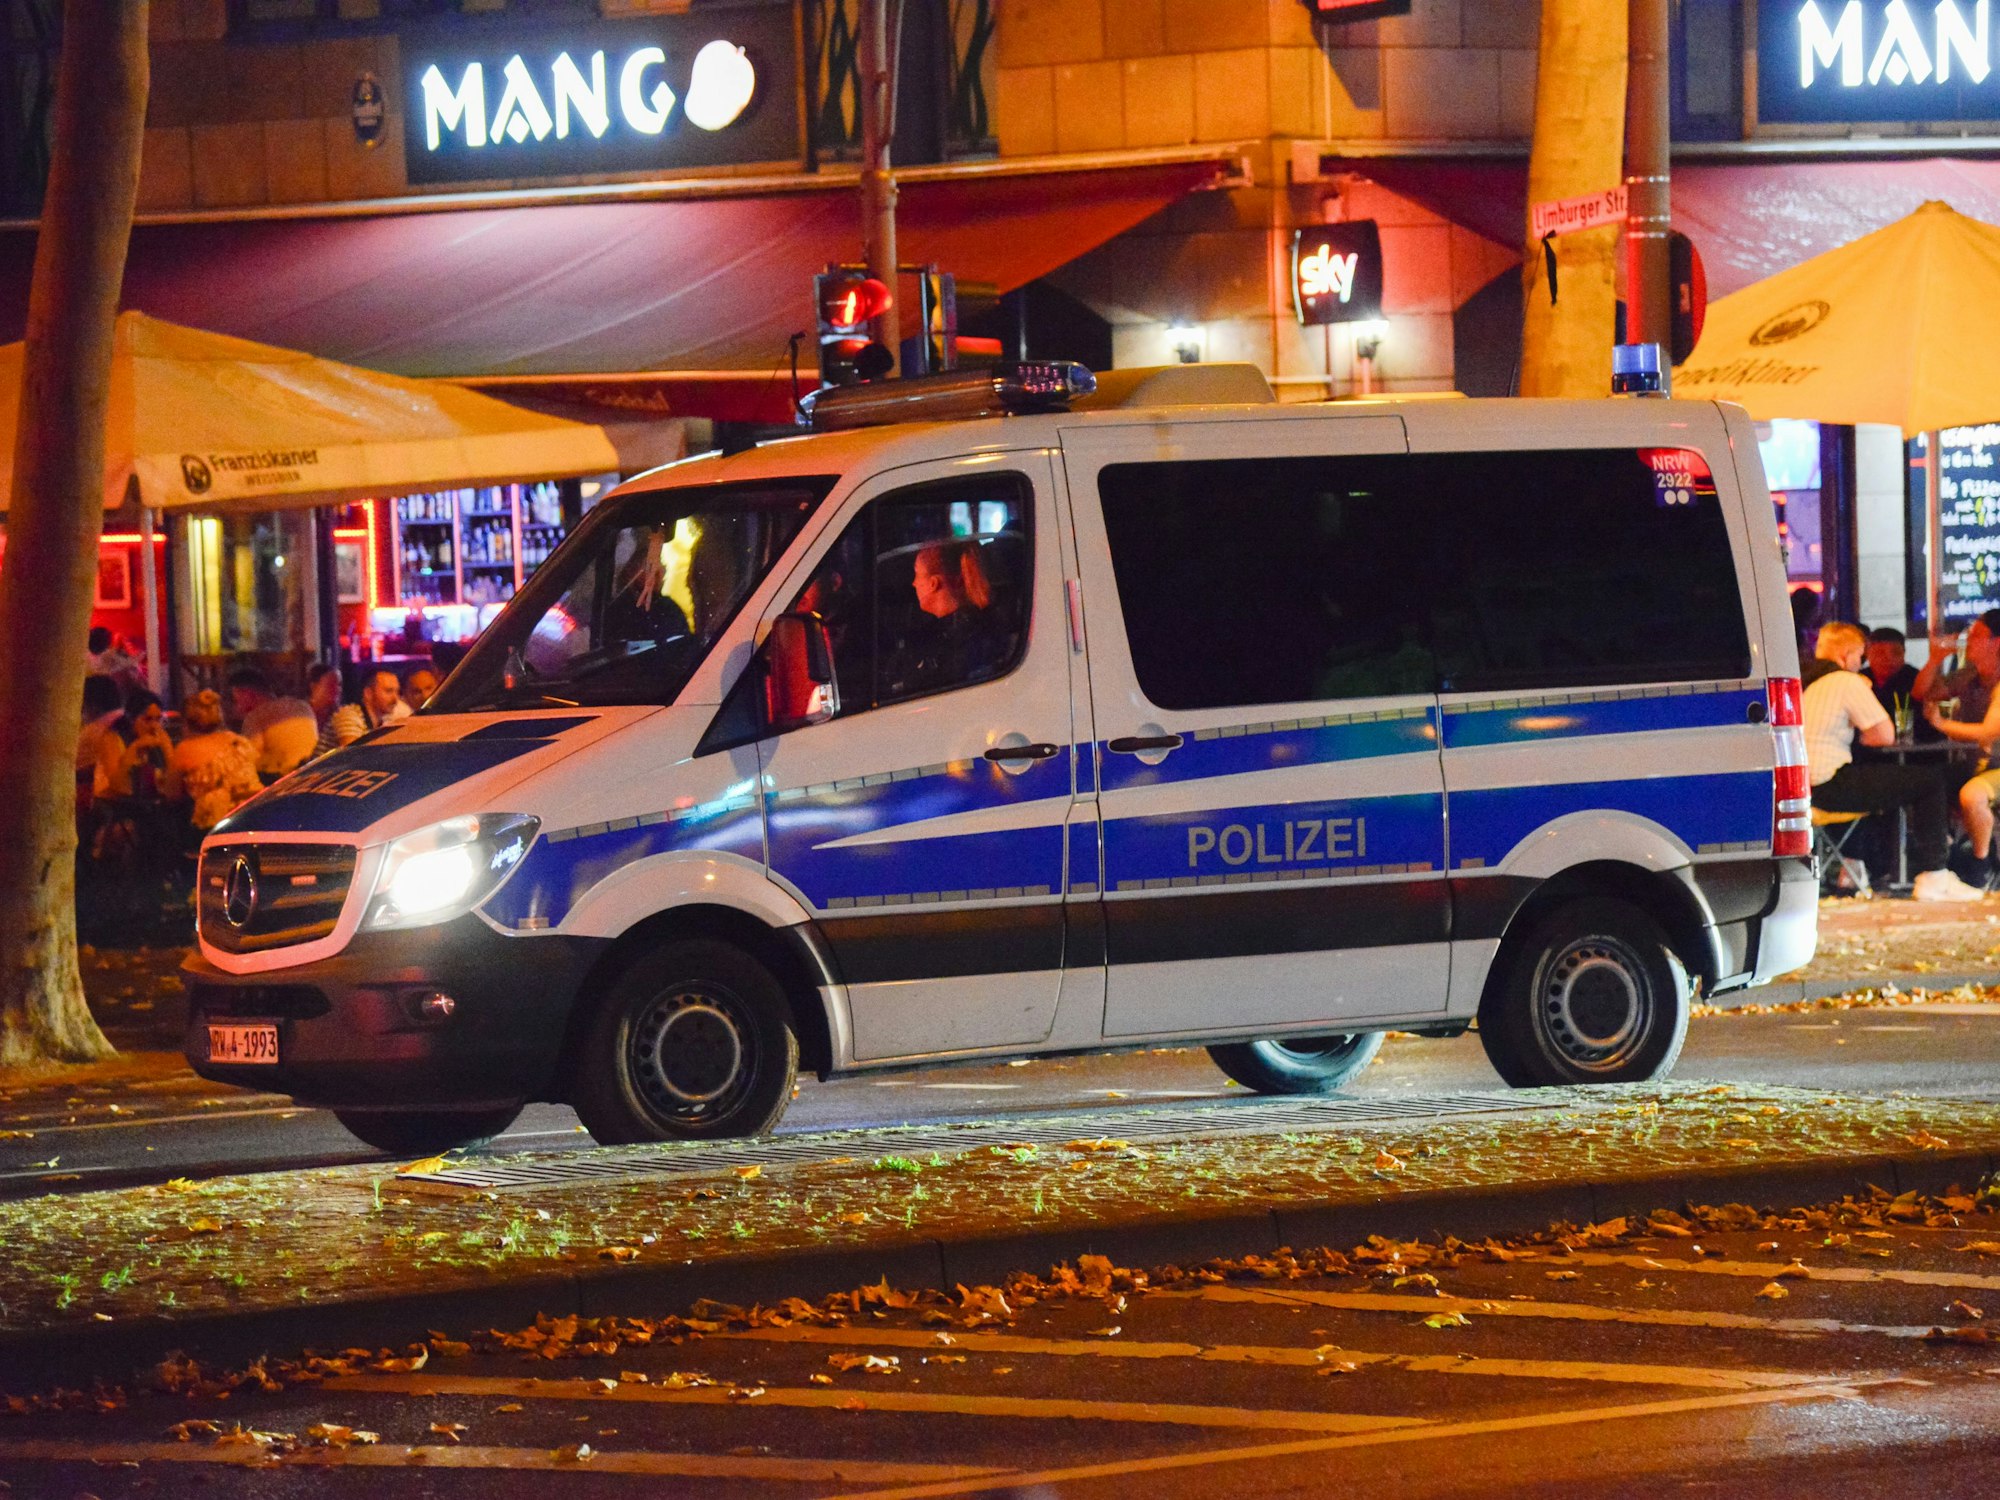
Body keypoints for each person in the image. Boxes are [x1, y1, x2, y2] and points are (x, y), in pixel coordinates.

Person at [1805, 622, 1983, 902]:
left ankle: (1867, 867)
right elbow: (1884, 734)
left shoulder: (1808, 682)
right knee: (1929, 781)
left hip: (1807, 788)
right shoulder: (1846, 681)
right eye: (1860, 656)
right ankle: (1934, 874)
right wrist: (1864, 736)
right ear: (1845, 655)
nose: (1860, 662)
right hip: (1831, 783)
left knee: (1892, 781)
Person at [891, 541, 1007, 698]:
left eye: (917, 575)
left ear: (934, 584)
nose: (914, 583)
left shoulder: (957, 641)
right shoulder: (980, 624)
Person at [163, 688, 262, 831]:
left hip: (217, 825)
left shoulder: (185, 749)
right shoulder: (239, 741)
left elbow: (171, 795)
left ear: (185, 722)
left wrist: (165, 747)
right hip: (254, 815)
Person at [226, 666, 319, 782]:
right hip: (311, 775)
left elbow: (248, 760)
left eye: (235, 699)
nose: (235, 706)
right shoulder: (302, 706)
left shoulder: (256, 717)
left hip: (281, 782)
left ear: (248, 694)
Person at [95, 688, 171, 800]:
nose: (154, 726)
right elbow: (117, 786)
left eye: (158, 719)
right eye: (147, 719)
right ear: (131, 718)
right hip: (113, 806)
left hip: (143, 804)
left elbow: (172, 783)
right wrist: (134, 748)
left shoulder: (156, 740)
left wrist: (167, 747)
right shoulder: (112, 739)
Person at [324, 667, 402, 749]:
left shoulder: (385, 721)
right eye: (388, 691)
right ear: (368, 693)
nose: (395, 699)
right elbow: (352, 756)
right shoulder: (349, 715)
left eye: (397, 692)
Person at [76, 674, 124, 800]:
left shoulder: (94, 731)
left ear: (92, 706)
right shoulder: (130, 720)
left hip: (106, 799)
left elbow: (74, 766)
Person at [307, 662, 343, 755]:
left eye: (339, 684)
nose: (337, 689)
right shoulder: (301, 714)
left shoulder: (341, 717)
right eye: (331, 684)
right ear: (314, 686)